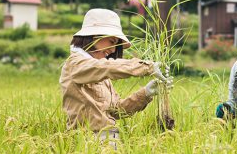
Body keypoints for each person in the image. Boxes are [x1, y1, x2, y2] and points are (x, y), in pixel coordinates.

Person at [60, 8, 169, 146]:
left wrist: (146, 93)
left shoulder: (101, 73)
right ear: (94, 36)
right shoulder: (75, 64)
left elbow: (117, 110)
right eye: (111, 42)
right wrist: (146, 67)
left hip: (110, 141)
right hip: (87, 142)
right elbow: (106, 67)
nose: (113, 50)